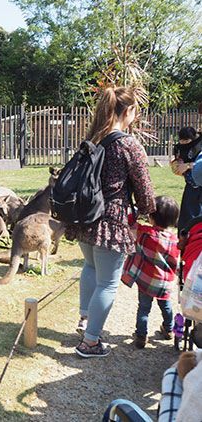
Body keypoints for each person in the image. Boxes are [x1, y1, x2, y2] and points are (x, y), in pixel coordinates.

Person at [69, 86, 156, 358]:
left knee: (90, 266)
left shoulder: (93, 137)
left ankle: (86, 320)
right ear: (128, 111)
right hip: (111, 221)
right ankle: (90, 342)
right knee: (107, 282)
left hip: (84, 218)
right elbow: (144, 189)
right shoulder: (128, 144)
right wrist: (148, 211)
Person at [121, 196, 180, 349]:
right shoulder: (174, 240)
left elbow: (129, 222)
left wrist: (138, 210)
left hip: (146, 281)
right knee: (166, 306)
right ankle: (168, 330)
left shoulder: (145, 233)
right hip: (164, 283)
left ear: (151, 216)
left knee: (143, 309)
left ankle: (141, 336)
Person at [170, 127, 202, 232]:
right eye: (181, 141)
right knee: (186, 219)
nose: (184, 143)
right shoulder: (180, 148)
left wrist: (188, 165)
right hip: (190, 186)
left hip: (199, 185)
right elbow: (177, 162)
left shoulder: (199, 144)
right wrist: (176, 165)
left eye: (186, 141)